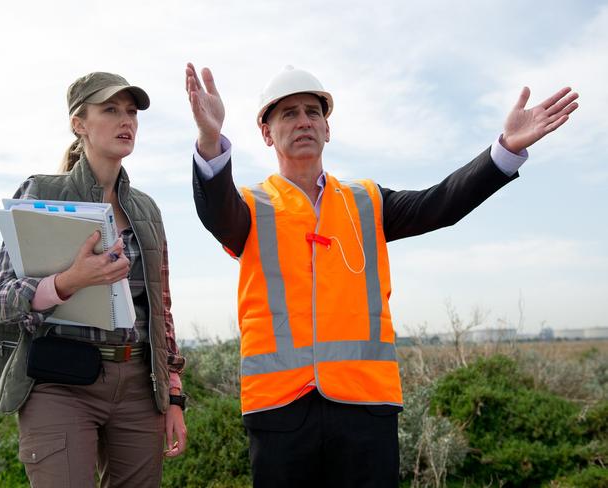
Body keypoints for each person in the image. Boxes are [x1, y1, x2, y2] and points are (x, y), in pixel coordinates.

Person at [186, 63, 578, 487]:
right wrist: (210, 141)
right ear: (266, 133)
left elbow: (441, 204)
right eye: (288, 113)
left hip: (366, 409)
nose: (303, 121)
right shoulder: (251, 207)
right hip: (280, 412)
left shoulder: (366, 202)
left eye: (312, 112)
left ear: (327, 128)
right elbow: (215, 210)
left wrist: (503, 151)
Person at [0, 72, 187, 487]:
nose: (126, 121)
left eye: (131, 112)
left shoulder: (147, 209)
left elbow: (162, 313)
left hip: (140, 387)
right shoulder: (41, 193)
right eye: (110, 110)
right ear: (79, 123)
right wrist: (67, 281)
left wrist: (173, 396)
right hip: (59, 384)